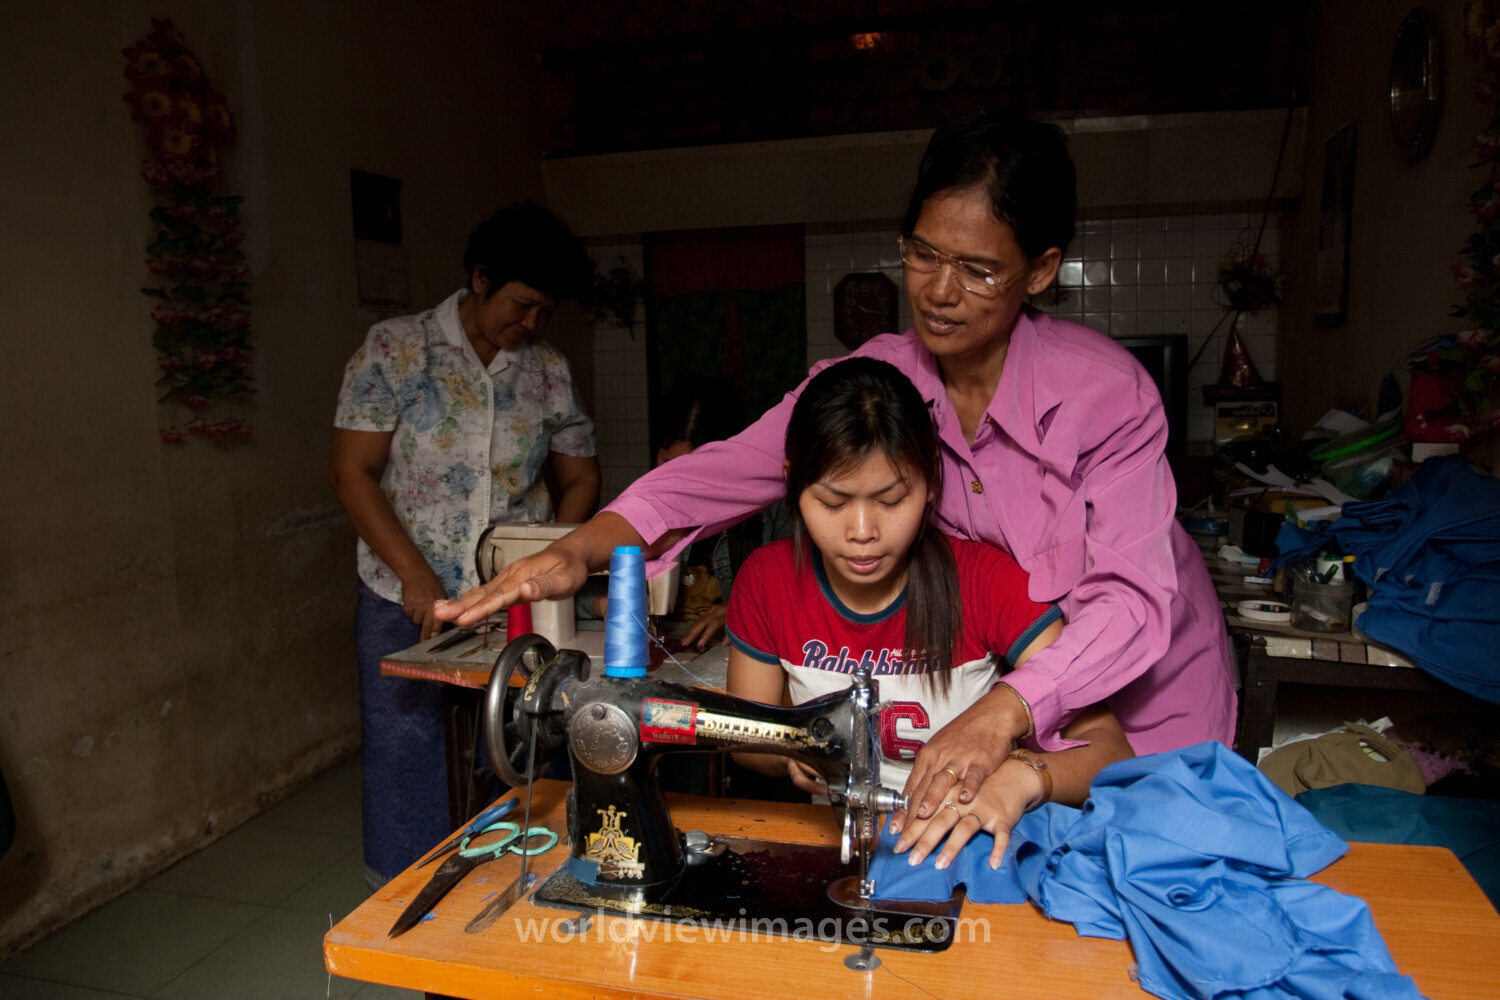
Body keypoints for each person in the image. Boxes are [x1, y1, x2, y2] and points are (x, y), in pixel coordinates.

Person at [434, 111, 1236, 852]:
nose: (940, 290)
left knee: (1156, 890)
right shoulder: (876, 379)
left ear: (1040, 271)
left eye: (980, 270)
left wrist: (1003, 712)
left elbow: (1130, 602)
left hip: (1145, 696)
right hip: (1011, 709)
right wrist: (583, 549)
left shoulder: (1106, 394)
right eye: (922, 253)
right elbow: (721, 470)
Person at [726, 358, 1132, 866]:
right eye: (832, 503)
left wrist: (1022, 778)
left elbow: (1109, 748)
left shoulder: (987, 582)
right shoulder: (768, 580)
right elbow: (745, 741)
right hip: (839, 853)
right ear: (792, 484)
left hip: (969, 855)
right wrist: (794, 754)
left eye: (892, 500)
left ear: (931, 484)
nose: (861, 531)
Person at [330, 200, 599, 890]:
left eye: (546, 312)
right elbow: (352, 472)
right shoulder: (395, 349)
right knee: (409, 748)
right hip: (402, 594)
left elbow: (579, 473)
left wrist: (550, 550)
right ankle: (410, 892)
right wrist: (415, 575)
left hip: (515, 597)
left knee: (524, 733)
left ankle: (522, 885)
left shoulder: (547, 370)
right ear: (480, 278)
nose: (533, 324)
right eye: (523, 304)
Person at [578, 379, 792, 648]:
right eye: (667, 462)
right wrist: (605, 603)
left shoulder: (772, 513)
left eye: (693, 467)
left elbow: (802, 592)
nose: (677, 479)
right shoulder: (638, 510)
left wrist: (745, 610)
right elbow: (575, 588)